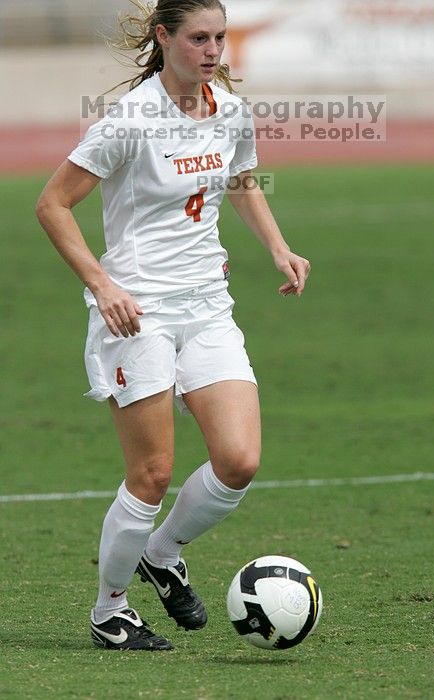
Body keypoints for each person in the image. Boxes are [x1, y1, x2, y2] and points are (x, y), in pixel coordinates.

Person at [36, 0, 311, 652]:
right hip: (138, 312)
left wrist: (277, 246)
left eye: (219, 37)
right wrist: (102, 285)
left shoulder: (230, 111)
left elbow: (241, 178)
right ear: (163, 38)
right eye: (198, 38)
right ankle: (111, 611)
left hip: (208, 305)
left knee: (239, 461)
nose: (213, 50)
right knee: (152, 475)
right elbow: (52, 204)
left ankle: (162, 553)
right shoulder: (131, 120)